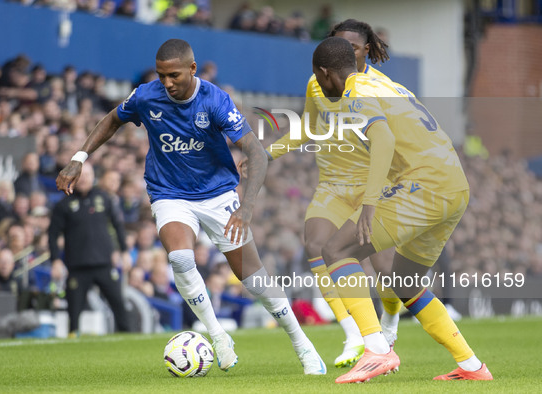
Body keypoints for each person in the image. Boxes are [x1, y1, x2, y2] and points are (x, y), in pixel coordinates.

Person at [55, 39, 326, 374]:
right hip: (170, 194)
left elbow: (254, 151)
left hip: (218, 194)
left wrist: (247, 205)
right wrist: (79, 158)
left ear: (192, 69)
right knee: (180, 257)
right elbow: (112, 119)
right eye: (162, 75)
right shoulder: (145, 95)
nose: (167, 83)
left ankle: (302, 343)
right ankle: (217, 336)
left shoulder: (215, 100)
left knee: (255, 281)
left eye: (174, 75)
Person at [312, 37, 492, 382]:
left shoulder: (354, 93)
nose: (319, 87)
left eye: (318, 80)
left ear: (324, 73)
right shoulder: (382, 82)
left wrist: (370, 202)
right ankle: (472, 367)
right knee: (404, 282)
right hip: (454, 184)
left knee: (336, 249)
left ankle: (377, 349)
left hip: (423, 185)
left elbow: (384, 139)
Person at [261, 19, 401, 368]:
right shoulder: (318, 83)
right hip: (334, 186)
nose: (344, 54)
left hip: (375, 187)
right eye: (337, 46)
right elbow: (308, 127)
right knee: (317, 245)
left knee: (388, 272)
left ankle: (390, 320)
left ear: (366, 50)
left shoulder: (380, 88)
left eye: (352, 48)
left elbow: (393, 142)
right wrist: (268, 153)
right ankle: (354, 334)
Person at [49, 163, 130, 336]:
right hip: (77, 266)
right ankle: (73, 336)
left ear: (94, 177)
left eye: (88, 174)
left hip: (104, 263)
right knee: (74, 310)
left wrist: (124, 251)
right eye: (81, 175)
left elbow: (118, 225)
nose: (85, 178)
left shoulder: (104, 198)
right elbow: (53, 235)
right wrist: (55, 260)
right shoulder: (63, 205)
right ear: (74, 177)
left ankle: (128, 336)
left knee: (119, 304)